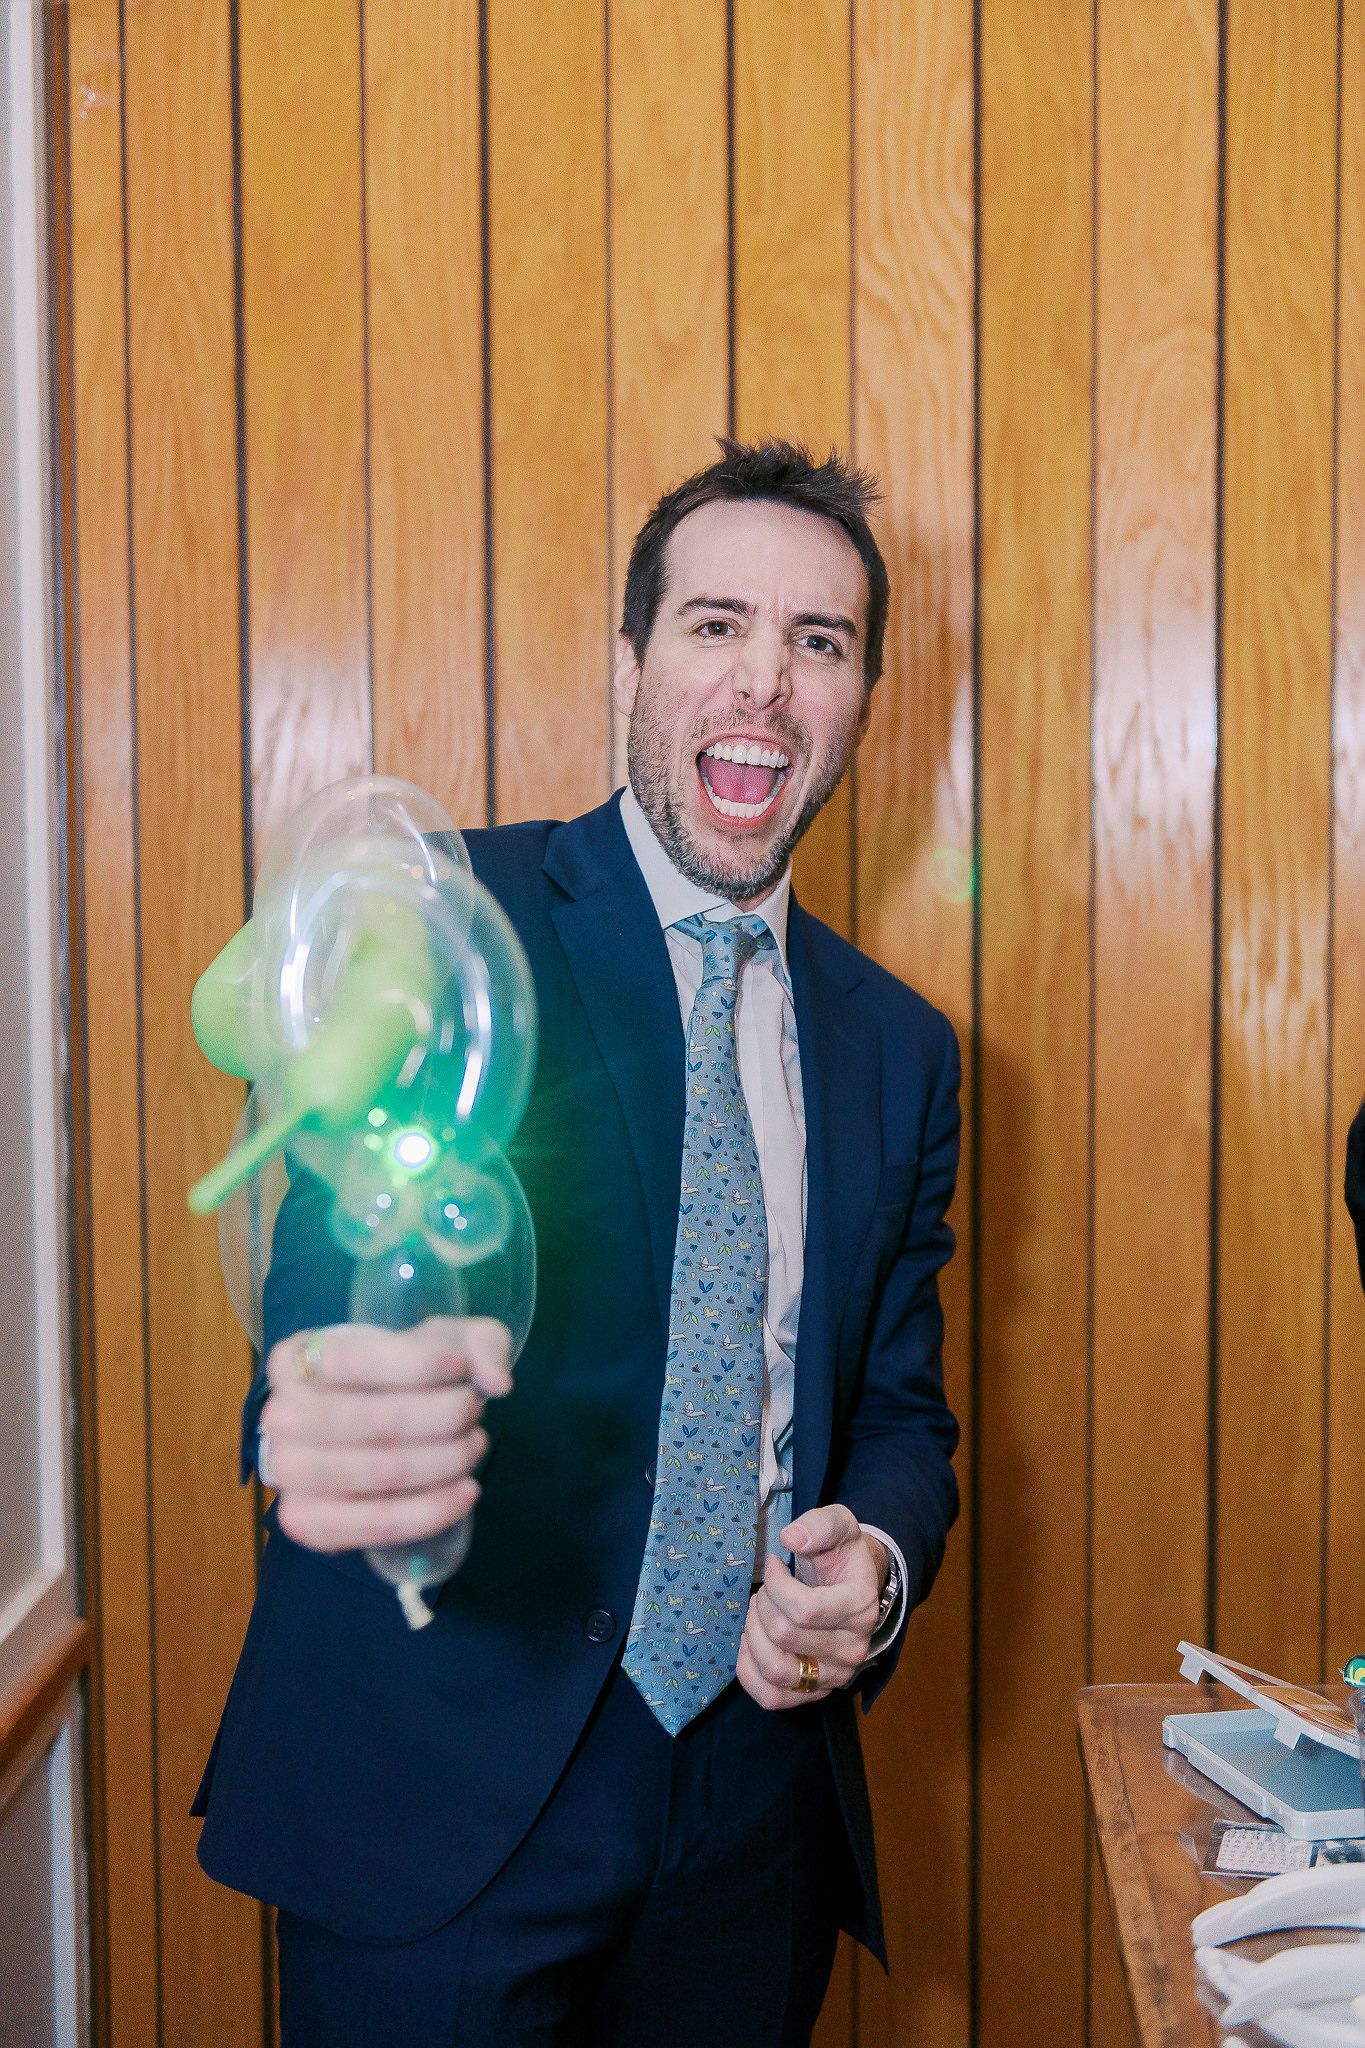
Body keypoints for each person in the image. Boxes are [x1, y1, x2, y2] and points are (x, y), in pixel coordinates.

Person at [193, 439, 962, 2047]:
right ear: (631, 663)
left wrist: (871, 1570)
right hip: (439, 1803)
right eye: (713, 625)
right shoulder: (444, 925)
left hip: (753, 1808)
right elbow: (332, 1266)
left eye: (816, 643)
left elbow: (897, 1413)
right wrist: (328, 1410)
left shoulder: (903, 1049)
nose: (763, 679)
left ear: (860, 702)